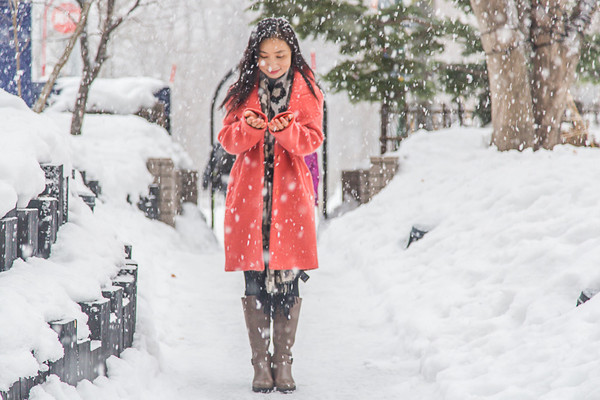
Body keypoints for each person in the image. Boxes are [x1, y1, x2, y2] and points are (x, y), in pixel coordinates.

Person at [218, 17, 324, 393]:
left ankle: (284, 364)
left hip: (290, 202)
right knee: (255, 284)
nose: (272, 63)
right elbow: (228, 141)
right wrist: (250, 127)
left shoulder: (307, 90)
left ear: (292, 53)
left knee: (288, 286)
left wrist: (287, 130)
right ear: (254, 57)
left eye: (280, 54)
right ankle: (260, 365)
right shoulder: (241, 89)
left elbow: (312, 140)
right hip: (250, 204)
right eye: (264, 56)